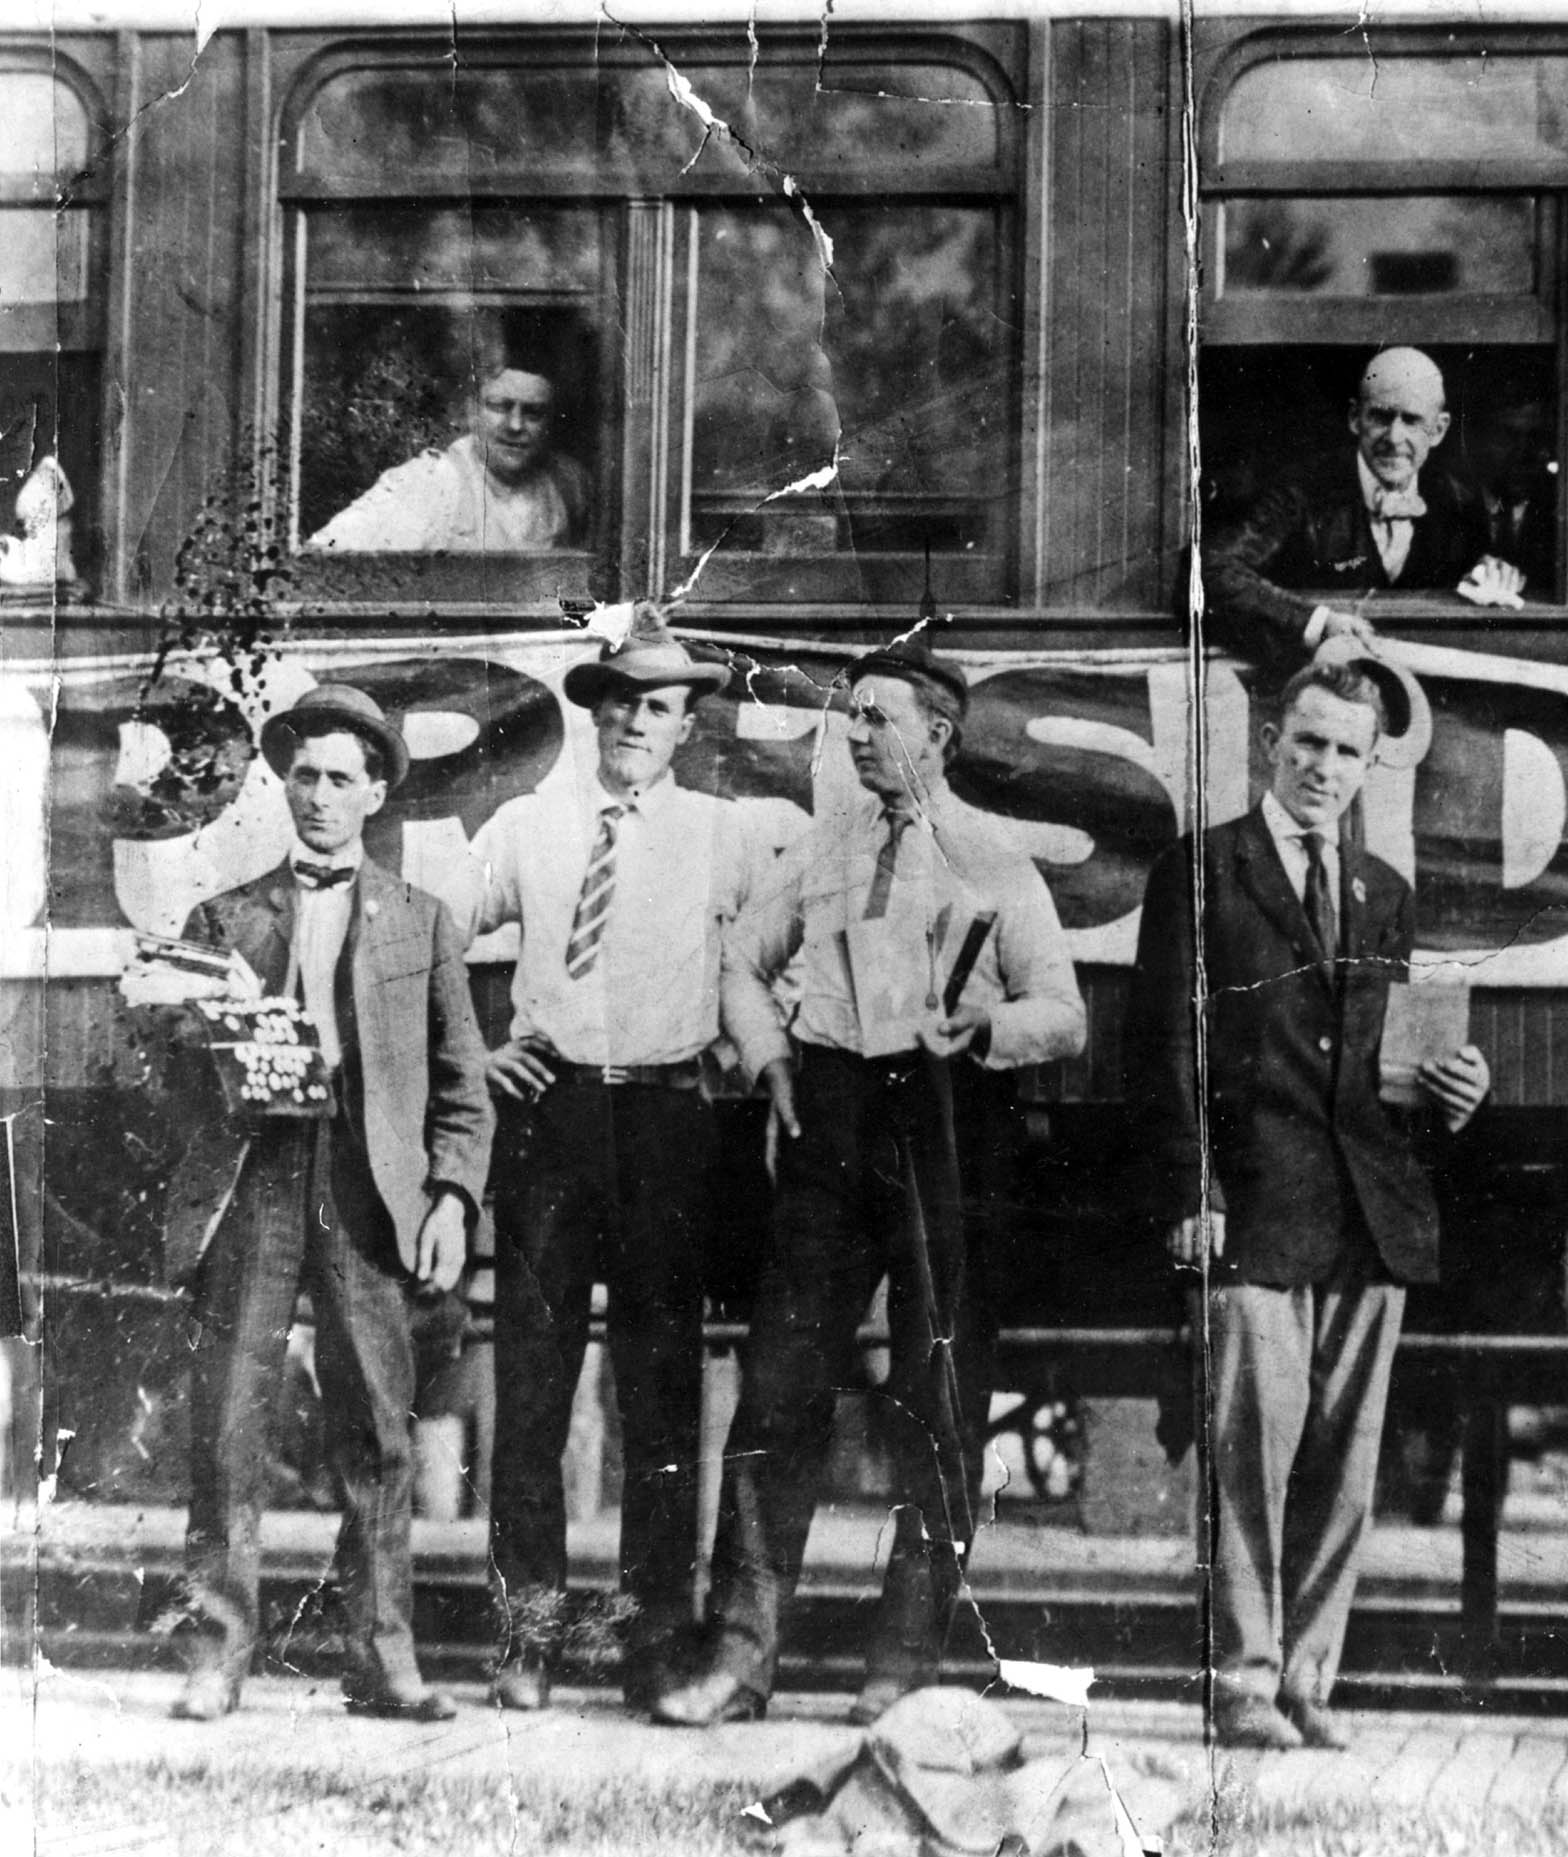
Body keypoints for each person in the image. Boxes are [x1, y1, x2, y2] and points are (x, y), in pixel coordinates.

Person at [651, 636, 1086, 1727]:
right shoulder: (822, 851)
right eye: (850, 718)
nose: (854, 734)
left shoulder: (996, 858)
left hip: (950, 1130)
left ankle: (903, 1669)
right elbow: (740, 966)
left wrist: (987, 1023)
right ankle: (739, 1661)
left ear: (937, 734)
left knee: (939, 1404)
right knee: (776, 1391)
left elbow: (1064, 1013)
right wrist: (773, 1060)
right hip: (830, 1131)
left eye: (876, 718)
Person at [1129, 659, 1492, 1749]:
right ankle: (1240, 1682)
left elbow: (1380, 1064)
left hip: (1370, 1211)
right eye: (1310, 745)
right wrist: (1193, 1193)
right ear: (1271, 745)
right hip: (1252, 1209)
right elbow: (1165, 1053)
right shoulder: (1200, 870)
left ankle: (1306, 1683)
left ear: (1371, 763)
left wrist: (1455, 1088)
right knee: (1251, 1450)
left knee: (1344, 1466)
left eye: (1348, 751)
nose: (1326, 768)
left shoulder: (1385, 890)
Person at [470, 615, 780, 1714]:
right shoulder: (527, 831)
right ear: (589, 710)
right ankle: (527, 1640)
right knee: (532, 1388)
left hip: (667, 1123)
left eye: (654, 706)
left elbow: (793, 942)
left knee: (658, 1393)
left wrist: (753, 1049)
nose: (630, 722)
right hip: (551, 1117)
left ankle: (655, 1644)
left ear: (686, 724)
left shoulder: (728, 835)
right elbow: (420, 940)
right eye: (613, 701)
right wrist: (477, 1052)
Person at [166, 685, 494, 1722]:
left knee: (378, 1433)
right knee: (228, 1418)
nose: (317, 796)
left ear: (377, 793)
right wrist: (187, 1028)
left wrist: (449, 1195)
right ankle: (216, 1652)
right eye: (302, 775)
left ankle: (383, 1657)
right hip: (255, 1180)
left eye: (340, 778)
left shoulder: (421, 921)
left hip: (367, 1191)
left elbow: (462, 1086)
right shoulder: (222, 915)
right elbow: (173, 1071)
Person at [1202, 347, 1525, 664]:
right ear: (1356, 418)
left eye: (1411, 421)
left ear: (1438, 430)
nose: (1394, 437)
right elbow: (1211, 569)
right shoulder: (1299, 491)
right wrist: (1315, 623)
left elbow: (1475, 580)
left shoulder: (1460, 501)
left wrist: (1490, 575)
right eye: (1381, 417)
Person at [312, 332, 590, 553]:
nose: (515, 425)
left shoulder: (569, 484)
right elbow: (322, 561)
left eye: (533, 413)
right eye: (500, 407)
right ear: (471, 411)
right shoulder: (431, 484)